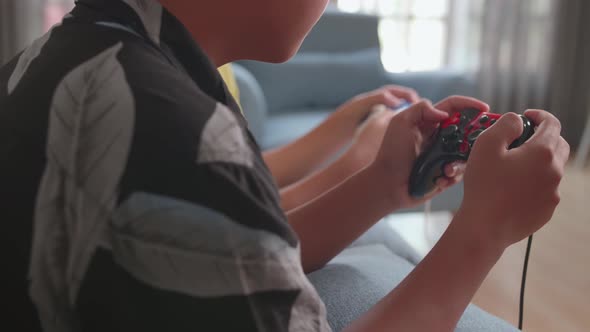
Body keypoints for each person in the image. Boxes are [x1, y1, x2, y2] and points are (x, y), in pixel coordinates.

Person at [0, 0, 569, 331]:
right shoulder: (176, 133)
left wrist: (382, 185)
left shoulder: (76, 58)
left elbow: (231, 255)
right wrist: (484, 230)